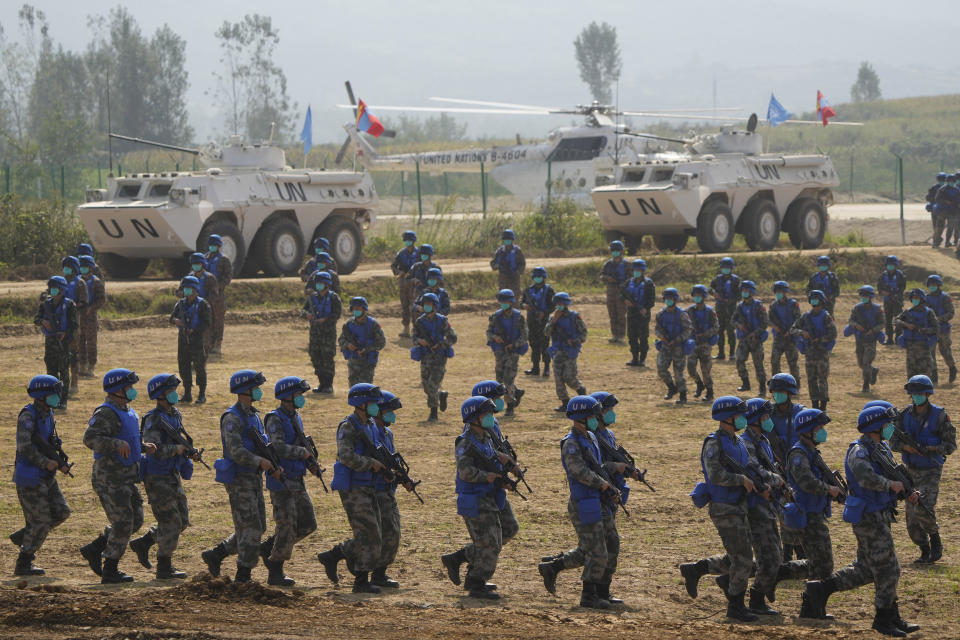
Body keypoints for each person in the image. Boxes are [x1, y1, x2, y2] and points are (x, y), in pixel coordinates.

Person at [802, 404, 921, 637]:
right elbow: (865, 476)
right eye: (886, 424)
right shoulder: (859, 450)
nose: (889, 428)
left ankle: (821, 590)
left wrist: (907, 491)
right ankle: (883, 618)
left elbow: (892, 475)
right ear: (875, 425)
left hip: (880, 513)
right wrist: (890, 485)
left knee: (867, 569)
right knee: (889, 568)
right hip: (868, 517)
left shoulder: (882, 447)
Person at [539, 391, 634, 607]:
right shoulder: (571, 443)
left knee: (612, 545)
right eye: (592, 415)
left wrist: (614, 472)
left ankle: (603, 591)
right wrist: (602, 484)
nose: (596, 418)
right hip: (585, 502)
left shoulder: (591, 437)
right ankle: (589, 595)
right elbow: (579, 471)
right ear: (580, 417)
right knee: (596, 550)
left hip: (601, 500)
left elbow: (598, 467)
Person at [319, 390, 411, 590]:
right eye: (372, 403)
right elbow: (345, 456)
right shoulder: (349, 426)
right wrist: (371, 464)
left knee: (380, 534)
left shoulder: (370, 426)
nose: (376, 407)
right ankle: (360, 581)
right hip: (353, 486)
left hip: (368, 485)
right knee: (369, 535)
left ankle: (373, 573)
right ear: (361, 403)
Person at [680, 396, 757, 622]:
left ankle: (697, 569)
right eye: (739, 415)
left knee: (738, 556)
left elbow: (750, 467)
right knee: (743, 557)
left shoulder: (738, 442)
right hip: (724, 507)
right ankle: (735, 606)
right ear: (728, 418)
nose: (743, 419)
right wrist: (740, 480)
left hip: (739, 505)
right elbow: (715, 475)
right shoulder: (714, 443)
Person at [201, 370, 278, 583]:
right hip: (239, 479)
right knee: (250, 528)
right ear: (244, 390)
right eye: (255, 388)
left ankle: (216, 554)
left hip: (253, 478)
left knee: (258, 526)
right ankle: (243, 575)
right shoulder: (232, 417)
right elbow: (235, 451)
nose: (259, 392)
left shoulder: (253, 415)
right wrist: (259, 461)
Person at [441, 396, 520, 600]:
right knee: (490, 542)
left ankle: (460, 558)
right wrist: (489, 477)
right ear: (473, 417)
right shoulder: (465, 442)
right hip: (475, 497)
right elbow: (466, 472)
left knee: (508, 529)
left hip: (491, 495)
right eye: (486, 414)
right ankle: (476, 582)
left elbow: (490, 458)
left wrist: (506, 466)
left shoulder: (485, 437)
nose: (491, 418)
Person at [81, 368, 154, 584]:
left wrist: (142, 446)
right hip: (109, 478)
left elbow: (128, 439)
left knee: (136, 520)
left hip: (126, 477)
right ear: (117, 390)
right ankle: (110, 569)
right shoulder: (105, 413)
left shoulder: (127, 411)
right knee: (123, 522)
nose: (132, 391)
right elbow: (90, 439)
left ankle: (96, 548)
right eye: (128, 387)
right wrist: (115, 444)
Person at [133, 374, 195, 580]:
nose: (174, 395)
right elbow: (152, 449)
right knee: (171, 521)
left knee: (183, 520)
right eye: (170, 391)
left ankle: (145, 542)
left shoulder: (175, 414)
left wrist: (187, 451)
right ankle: (164, 566)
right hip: (157, 475)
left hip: (172, 473)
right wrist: (175, 449)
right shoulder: (153, 418)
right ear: (160, 395)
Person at [890, 375, 956, 564]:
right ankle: (924, 549)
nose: (916, 396)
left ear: (928, 394)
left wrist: (931, 449)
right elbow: (893, 441)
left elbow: (950, 445)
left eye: (920, 393)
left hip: (931, 470)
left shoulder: (940, 416)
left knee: (922, 506)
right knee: (911, 519)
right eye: (913, 393)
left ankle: (935, 539)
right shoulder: (903, 416)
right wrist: (906, 448)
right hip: (909, 470)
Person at [11, 375, 72, 576]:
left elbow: (49, 442)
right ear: (41, 395)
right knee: (41, 521)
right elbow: (25, 446)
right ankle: (24, 561)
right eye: (53, 393)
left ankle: (27, 535)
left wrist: (59, 461)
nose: (57, 396)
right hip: (30, 476)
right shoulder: (28, 416)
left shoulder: (48, 414)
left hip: (46, 476)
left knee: (62, 512)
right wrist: (45, 462)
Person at [785, 407, 841, 619]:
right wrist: (829, 489)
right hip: (806, 515)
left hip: (816, 513)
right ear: (807, 430)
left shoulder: (811, 452)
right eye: (818, 428)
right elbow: (806, 482)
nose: (822, 432)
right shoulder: (798, 454)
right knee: (822, 562)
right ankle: (811, 607)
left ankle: (811, 607)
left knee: (820, 563)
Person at [262, 376, 318, 586]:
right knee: (286, 524)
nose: (302, 399)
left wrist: (309, 462)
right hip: (282, 480)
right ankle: (275, 569)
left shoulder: (295, 416)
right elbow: (276, 447)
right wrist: (301, 452)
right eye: (298, 395)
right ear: (287, 396)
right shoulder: (275, 418)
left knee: (308, 523)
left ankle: (269, 547)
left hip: (297, 477)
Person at [739, 398, 788, 615]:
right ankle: (756, 599)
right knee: (769, 556)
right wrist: (776, 480)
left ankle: (757, 596)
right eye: (765, 417)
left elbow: (770, 465)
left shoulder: (763, 440)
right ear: (755, 419)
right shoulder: (746, 442)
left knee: (773, 554)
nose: (769, 420)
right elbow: (753, 469)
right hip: (755, 506)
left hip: (767, 504)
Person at [766, 373, 807, 561]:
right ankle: (787, 552)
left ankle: (799, 550)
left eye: (780, 391)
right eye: (774, 391)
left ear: (789, 392)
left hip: (798, 468)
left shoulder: (801, 413)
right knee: (782, 509)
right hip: (776, 468)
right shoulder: (767, 415)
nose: (776, 395)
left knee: (798, 507)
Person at [411, 292, 457, 422]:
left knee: (432, 384)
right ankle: (441, 395)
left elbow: (453, 337)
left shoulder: (442, 321)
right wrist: (420, 341)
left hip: (439, 357)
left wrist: (441, 344)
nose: (426, 306)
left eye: (429, 304)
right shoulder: (420, 322)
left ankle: (433, 413)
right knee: (426, 385)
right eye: (424, 304)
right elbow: (414, 337)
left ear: (434, 305)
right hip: (425, 357)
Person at [34, 276, 78, 410]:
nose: (52, 290)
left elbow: (74, 325)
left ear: (61, 289)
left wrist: (66, 334)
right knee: (51, 372)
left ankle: (63, 400)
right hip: (50, 343)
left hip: (63, 343)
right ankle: (53, 398)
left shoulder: (69, 305)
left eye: (55, 288)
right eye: (51, 288)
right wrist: (43, 322)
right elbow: (36, 319)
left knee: (64, 372)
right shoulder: (45, 305)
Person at [791, 290, 837, 412]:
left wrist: (820, 339)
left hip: (822, 353)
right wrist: (802, 333)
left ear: (821, 302)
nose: (814, 303)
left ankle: (823, 406)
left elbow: (833, 333)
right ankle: (815, 404)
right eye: (813, 300)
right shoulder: (806, 317)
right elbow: (793, 330)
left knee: (822, 379)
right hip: (810, 353)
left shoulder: (826, 316)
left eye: (816, 300)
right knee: (811, 379)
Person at [486, 289, 528, 416]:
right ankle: (516, 391)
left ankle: (510, 406)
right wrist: (495, 338)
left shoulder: (519, 317)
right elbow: (489, 332)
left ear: (511, 302)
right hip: (499, 352)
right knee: (500, 380)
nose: (503, 303)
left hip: (513, 352)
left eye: (506, 301)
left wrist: (514, 345)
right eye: (501, 301)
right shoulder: (496, 317)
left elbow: (524, 336)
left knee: (508, 378)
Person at [170, 275, 211, 404]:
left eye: (188, 288)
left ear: (195, 289)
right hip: (182, 340)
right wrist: (175, 321)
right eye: (185, 288)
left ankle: (201, 394)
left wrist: (195, 330)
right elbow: (171, 318)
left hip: (197, 340)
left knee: (199, 368)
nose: (186, 291)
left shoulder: (202, 304)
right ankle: (187, 393)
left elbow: (207, 322)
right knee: (183, 366)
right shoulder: (180, 304)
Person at [546, 292, 588, 411]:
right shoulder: (552, 318)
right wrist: (554, 321)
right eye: (557, 303)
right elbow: (546, 332)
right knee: (558, 379)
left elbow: (583, 333)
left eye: (561, 303)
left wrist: (576, 341)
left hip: (570, 352)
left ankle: (580, 390)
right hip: (557, 351)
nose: (559, 306)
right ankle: (565, 402)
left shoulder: (574, 317)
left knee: (569, 377)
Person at [302, 270, 342, 394]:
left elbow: (337, 314)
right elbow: (303, 311)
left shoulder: (334, 297)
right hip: (315, 333)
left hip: (328, 333)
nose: (318, 285)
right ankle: (321, 383)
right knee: (316, 357)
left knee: (327, 358)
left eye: (320, 283)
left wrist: (325, 320)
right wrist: (307, 315)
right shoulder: (312, 298)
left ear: (327, 284)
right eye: (317, 283)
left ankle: (328, 385)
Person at [655, 288, 692, 404]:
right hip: (665, 346)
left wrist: (677, 340)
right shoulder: (661, 314)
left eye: (670, 298)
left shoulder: (682, 314)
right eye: (666, 298)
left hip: (678, 347)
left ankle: (683, 395)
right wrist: (662, 337)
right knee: (661, 369)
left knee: (678, 372)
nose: (668, 301)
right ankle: (672, 388)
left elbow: (688, 330)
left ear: (675, 300)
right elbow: (657, 329)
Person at [339, 297, 386, 385]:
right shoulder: (349, 324)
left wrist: (366, 349)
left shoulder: (373, 324)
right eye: (354, 308)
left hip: (367, 363)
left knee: (365, 389)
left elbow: (381, 343)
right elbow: (341, 340)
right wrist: (348, 345)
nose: (355, 310)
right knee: (353, 389)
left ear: (364, 309)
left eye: (358, 308)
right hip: (353, 363)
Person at [846, 285, 885, 393]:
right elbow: (850, 320)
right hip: (859, 339)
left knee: (866, 362)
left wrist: (873, 330)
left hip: (871, 340)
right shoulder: (857, 308)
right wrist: (856, 325)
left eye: (866, 295)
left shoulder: (877, 309)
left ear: (870, 296)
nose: (863, 297)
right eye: (862, 295)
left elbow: (882, 323)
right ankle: (873, 370)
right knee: (861, 364)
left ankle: (865, 385)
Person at [734, 280, 768, 394]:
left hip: (756, 339)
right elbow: (732, 320)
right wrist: (739, 325)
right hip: (744, 339)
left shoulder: (758, 305)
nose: (744, 293)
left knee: (758, 364)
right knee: (739, 360)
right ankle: (745, 383)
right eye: (743, 290)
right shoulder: (740, 306)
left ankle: (762, 387)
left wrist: (755, 333)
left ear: (751, 292)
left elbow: (764, 322)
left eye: (746, 290)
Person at [61, 256, 89, 396]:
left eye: (68, 266)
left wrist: (71, 307)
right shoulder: (60, 282)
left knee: (73, 354)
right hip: (60, 324)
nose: (65, 269)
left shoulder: (80, 283)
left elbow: (84, 304)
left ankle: (74, 382)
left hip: (73, 322)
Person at [895, 289, 938, 379]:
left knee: (925, 371)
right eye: (913, 298)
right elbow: (896, 321)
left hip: (924, 346)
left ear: (922, 299)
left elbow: (936, 328)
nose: (915, 299)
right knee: (911, 372)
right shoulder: (907, 312)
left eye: (917, 298)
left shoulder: (929, 312)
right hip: (910, 346)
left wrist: (924, 330)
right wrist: (906, 325)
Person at [686, 284, 719, 401]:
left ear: (703, 296)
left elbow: (716, 327)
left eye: (699, 295)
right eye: (695, 295)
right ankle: (699, 384)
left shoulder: (710, 311)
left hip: (705, 344)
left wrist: (704, 334)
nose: (696, 297)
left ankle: (710, 392)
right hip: (693, 344)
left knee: (705, 370)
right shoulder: (689, 311)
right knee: (690, 368)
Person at [522, 266, 555, 377]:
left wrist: (544, 313)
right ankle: (535, 368)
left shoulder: (549, 290)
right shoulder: (528, 290)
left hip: (544, 321)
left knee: (544, 345)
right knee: (534, 345)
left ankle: (546, 368)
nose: (537, 279)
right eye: (535, 277)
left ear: (543, 277)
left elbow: (553, 305)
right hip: (532, 321)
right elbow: (521, 302)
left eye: (539, 277)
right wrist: (524, 306)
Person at [621, 259, 656, 367]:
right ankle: (634, 358)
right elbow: (621, 294)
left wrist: (645, 308)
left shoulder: (648, 283)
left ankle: (642, 359)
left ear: (643, 270)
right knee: (632, 336)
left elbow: (651, 300)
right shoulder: (628, 282)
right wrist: (624, 300)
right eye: (635, 269)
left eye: (639, 269)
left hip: (642, 314)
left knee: (643, 336)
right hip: (631, 313)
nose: (636, 271)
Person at [77, 254, 106, 378]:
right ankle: (82, 366)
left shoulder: (96, 282)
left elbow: (101, 299)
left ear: (90, 268)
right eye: (81, 267)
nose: (83, 269)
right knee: (80, 342)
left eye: (85, 267)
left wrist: (92, 308)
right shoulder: (78, 281)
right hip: (79, 316)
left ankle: (91, 366)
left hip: (90, 316)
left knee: (91, 342)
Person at [924, 274, 956, 384]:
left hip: (943, 329)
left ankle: (952, 368)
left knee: (945, 351)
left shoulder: (945, 297)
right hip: (931, 330)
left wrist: (939, 319)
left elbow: (951, 313)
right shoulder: (926, 298)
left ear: (938, 285)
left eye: (934, 284)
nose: (932, 286)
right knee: (930, 352)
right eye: (930, 284)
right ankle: (934, 375)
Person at [204, 234, 233, 356]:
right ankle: (208, 345)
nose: (212, 247)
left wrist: (216, 287)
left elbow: (227, 278)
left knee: (218, 321)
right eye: (211, 244)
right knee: (207, 321)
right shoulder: (204, 258)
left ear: (219, 246)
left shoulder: (224, 260)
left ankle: (217, 345)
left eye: (214, 245)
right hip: (205, 295)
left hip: (218, 296)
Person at [769, 281, 801, 387]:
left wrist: (790, 331)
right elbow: (769, 319)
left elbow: (798, 320)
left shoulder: (793, 304)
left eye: (780, 291)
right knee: (774, 359)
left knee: (792, 362)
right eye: (777, 291)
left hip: (791, 338)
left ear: (785, 292)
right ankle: (777, 382)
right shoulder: (773, 305)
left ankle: (796, 383)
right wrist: (775, 327)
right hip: (779, 337)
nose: (778, 293)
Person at [709, 257, 741, 361]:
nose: (725, 269)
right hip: (720, 308)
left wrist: (731, 301)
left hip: (731, 309)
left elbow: (740, 295)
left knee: (731, 332)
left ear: (731, 268)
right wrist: (714, 293)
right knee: (719, 331)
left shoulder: (736, 280)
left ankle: (732, 354)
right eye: (724, 267)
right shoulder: (717, 279)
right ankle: (721, 353)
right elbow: (710, 288)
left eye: (727, 267)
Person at [187, 252, 219, 350]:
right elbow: (181, 290)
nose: (195, 266)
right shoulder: (189, 277)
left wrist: (204, 303)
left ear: (202, 264)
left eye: (198, 264)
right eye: (194, 264)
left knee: (207, 329)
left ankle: (208, 348)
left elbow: (214, 294)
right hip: (191, 309)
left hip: (205, 308)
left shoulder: (210, 278)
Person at [391, 230, 420, 337]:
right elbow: (393, 266)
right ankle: (406, 328)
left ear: (413, 241)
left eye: (410, 241)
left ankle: (416, 329)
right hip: (403, 283)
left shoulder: (419, 254)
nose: (408, 242)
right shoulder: (401, 254)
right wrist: (399, 272)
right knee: (404, 306)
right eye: (406, 241)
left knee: (415, 306)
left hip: (414, 283)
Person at [600, 240, 630, 343]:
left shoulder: (627, 265)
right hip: (610, 292)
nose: (615, 252)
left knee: (621, 315)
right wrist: (607, 278)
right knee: (612, 315)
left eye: (617, 250)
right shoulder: (608, 264)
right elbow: (602, 276)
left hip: (621, 293)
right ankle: (615, 335)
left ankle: (621, 336)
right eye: (613, 250)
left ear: (621, 251)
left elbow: (630, 280)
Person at [877, 255, 906, 346]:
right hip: (887, 301)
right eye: (889, 265)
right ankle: (889, 338)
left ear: (896, 265)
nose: (890, 267)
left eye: (892, 265)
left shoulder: (900, 275)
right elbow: (879, 287)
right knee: (888, 320)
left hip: (897, 301)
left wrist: (896, 295)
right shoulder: (883, 275)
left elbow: (902, 287)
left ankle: (898, 338)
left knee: (898, 319)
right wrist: (883, 292)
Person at [490, 229, 525, 297]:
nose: (507, 240)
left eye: (509, 239)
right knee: (504, 297)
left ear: (512, 240)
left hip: (514, 277)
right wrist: (496, 266)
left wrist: (518, 272)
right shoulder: (500, 251)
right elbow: (493, 263)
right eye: (505, 239)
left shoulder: (517, 251)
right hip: (503, 278)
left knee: (515, 297)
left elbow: (522, 264)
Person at [934, 173, 960, 248]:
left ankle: (947, 242)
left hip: (953, 212)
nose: (952, 183)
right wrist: (946, 202)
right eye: (950, 181)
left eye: (953, 181)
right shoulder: (942, 189)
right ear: (947, 181)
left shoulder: (957, 190)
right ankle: (935, 243)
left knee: (950, 228)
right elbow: (937, 199)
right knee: (939, 227)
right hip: (942, 211)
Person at [926, 172, 947, 246]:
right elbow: (928, 197)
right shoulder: (934, 188)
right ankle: (937, 239)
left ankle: (936, 239)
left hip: (943, 210)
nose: (942, 181)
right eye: (940, 179)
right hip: (935, 209)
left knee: (941, 225)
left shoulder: (947, 188)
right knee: (935, 225)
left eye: (943, 179)